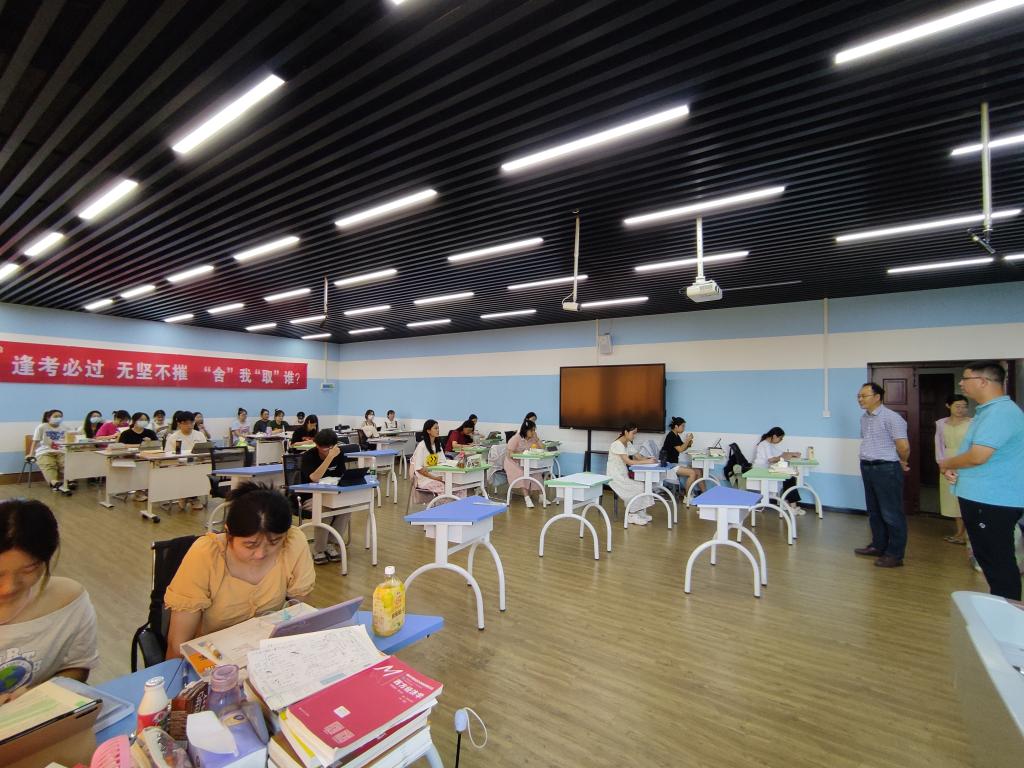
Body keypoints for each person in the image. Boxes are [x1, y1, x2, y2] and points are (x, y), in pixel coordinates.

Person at [164, 484, 315, 655]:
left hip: (269, 651)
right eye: (250, 545)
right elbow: (178, 644)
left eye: (274, 542)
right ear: (229, 534)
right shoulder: (207, 555)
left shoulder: (293, 542)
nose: (260, 554)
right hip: (213, 657)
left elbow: (300, 615)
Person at [939, 361, 1024, 601]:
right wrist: (956, 468)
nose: (961, 383)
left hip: (993, 499)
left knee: (998, 561)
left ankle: (1007, 611)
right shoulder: (987, 411)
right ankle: (1001, 606)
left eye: (965, 378)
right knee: (990, 560)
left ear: (984, 382)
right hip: (982, 496)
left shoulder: (1001, 413)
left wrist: (947, 463)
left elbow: (978, 456)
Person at [0, 499, 99, 702]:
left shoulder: (68, 602)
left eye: (29, 569)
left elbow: (77, 666)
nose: (10, 587)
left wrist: (37, 695)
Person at [855, 383, 910, 568]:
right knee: (874, 511)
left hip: (886, 468)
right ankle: (878, 546)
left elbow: (903, 446)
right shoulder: (864, 418)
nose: (860, 399)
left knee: (891, 513)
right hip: (867, 466)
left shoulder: (892, 417)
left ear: (877, 397)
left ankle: (895, 554)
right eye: (859, 396)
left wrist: (902, 461)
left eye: (864, 396)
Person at [299, 430, 351, 565]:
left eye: (331, 447)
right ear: (317, 445)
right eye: (324, 448)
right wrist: (329, 458)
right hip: (310, 497)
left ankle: (330, 543)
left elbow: (341, 475)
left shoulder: (339, 453)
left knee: (345, 508)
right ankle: (319, 550)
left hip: (331, 494)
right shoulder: (308, 456)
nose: (328, 451)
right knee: (325, 510)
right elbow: (314, 478)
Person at [935, 394, 972, 545]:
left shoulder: (973, 423)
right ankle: (959, 533)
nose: (961, 409)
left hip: (967, 461)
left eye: (964, 406)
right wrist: (941, 465)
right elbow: (938, 445)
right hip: (948, 461)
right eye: (957, 406)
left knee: (967, 497)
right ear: (948, 406)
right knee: (953, 499)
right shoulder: (941, 423)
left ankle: (969, 534)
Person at [608, 423, 655, 526]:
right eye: (633, 433)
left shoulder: (628, 443)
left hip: (623, 475)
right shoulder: (617, 444)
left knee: (643, 485)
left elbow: (638, 457)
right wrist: (647, 462)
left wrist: (650, 459)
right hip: (615, 477)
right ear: (626, 432)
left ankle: (639, 511)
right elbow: (629, 462)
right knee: (639, 487)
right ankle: (632, 515)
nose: (635, 436)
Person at [752, 427, 803, 516]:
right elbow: (771, 459)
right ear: (775, 436)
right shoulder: (765, 444)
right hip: (761, 471)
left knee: (790, 478)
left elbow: (781, 453)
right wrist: (784, 457)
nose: (781, 440)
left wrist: (793, 453)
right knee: (790, 479)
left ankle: (791, 505)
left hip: (767, 470)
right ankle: (793, 507)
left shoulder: (769, 444)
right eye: (780, 438)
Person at [411, 420, 466, 499]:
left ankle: (458, 506)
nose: (438, 430)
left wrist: (456, 463)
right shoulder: (421, 446)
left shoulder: (437, 445)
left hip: (439, 476)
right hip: (426, 479)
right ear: (428, 431)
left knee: (460, 487)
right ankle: (444, 506)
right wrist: (436, 478)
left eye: (438, 428)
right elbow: (419, 469)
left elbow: (443, 462)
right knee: (444, 489)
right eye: (435, 428)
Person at [28, 409, 75, 494]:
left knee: (66, 463)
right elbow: (35, 441)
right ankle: (54, 483)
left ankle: (70, 480)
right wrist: (31, 454)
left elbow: (71, 438)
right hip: (45, 451)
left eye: (60, 416)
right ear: (48, 418)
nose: (58, 418)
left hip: (61, 450)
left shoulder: (65, 427)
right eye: (55, 416)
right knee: (48, 465)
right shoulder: (42, 427)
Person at [504, 419, 543, 501]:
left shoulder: (533, 438)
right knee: (521, 473)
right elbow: (510, 454)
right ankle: (526, 497)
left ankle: (541, 496)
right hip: (512, 462)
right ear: (525, 430)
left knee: (536, 472)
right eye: (531, 430)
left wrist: (537, 439)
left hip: (525, 462)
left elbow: (542, 448)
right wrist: (522, 454)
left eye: (534, 430)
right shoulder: (516, 438)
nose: (533, 432)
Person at [661, 417, 700, 497]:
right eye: (682, 426)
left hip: (674, 464)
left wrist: (689, 443)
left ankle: (703, 493)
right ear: (676, 426)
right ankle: (688, 497)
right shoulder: (671, 436)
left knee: (698, 471)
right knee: (692, 473)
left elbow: (683, 447)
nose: (683, 428)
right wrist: (687, 440)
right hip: (669, 465)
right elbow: (681, 449)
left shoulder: (676, 436)